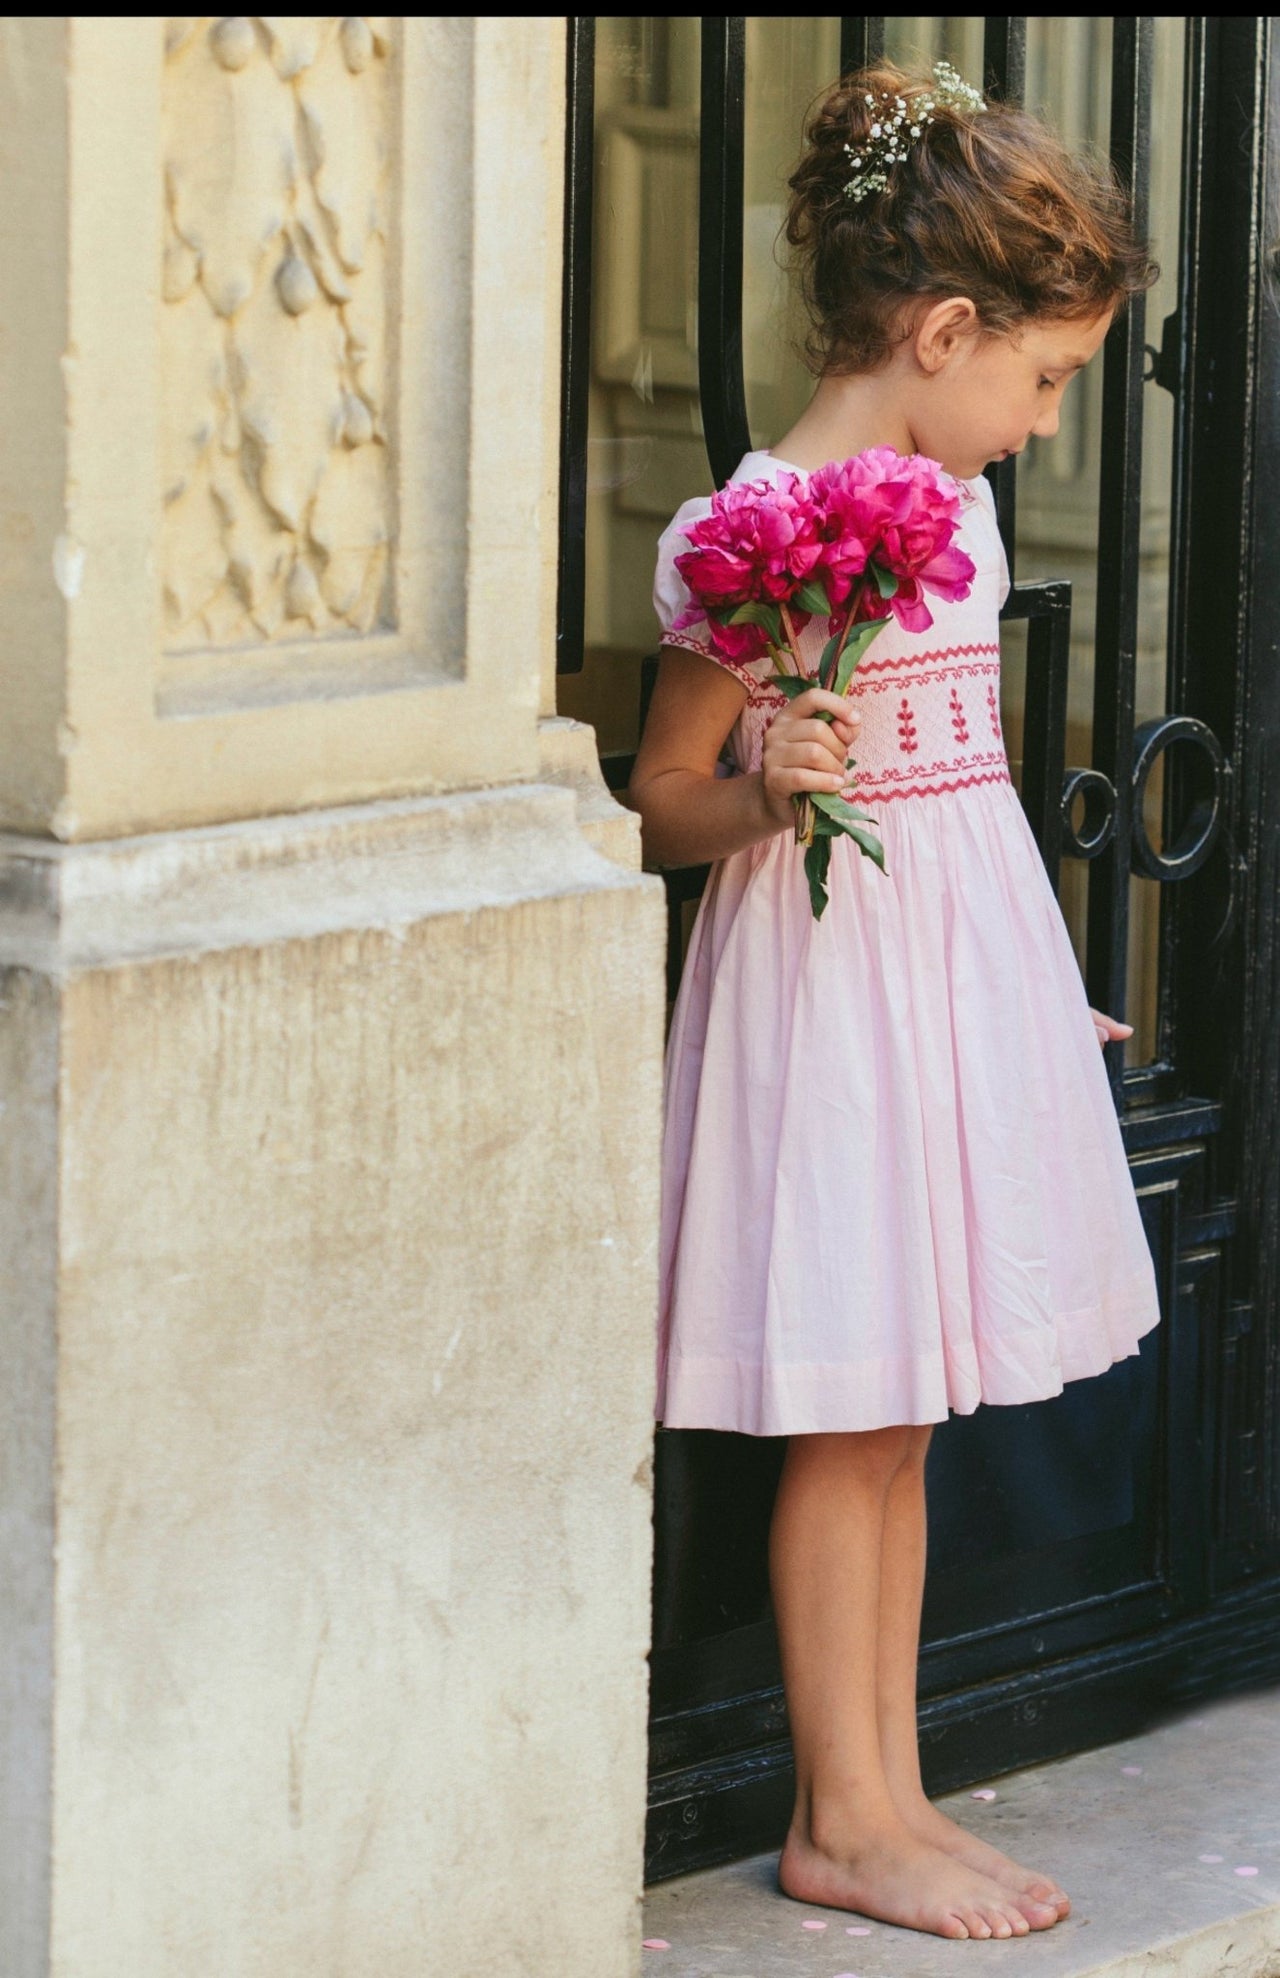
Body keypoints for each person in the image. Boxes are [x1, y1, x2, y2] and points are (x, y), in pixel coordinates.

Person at [628, 61, 1161, 1943]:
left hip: (940, 997)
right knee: (850, 1412)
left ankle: (893, 1787)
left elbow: (967, 800)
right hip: (827, 1006)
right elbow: (658, 800)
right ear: (944, 333)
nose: (1043, 422)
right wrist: (767, 783)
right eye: (1046, 379)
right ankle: (838, 1812)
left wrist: (1027, 1000)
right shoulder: (748, 531)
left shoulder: (953, 513)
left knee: (911, 1417)